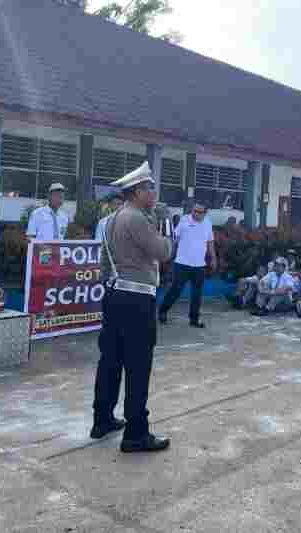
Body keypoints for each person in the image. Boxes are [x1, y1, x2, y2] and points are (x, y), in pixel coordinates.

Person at [92, 162, 173, 452]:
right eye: (150, 188)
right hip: (137, 300)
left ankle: (102, 419)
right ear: (137, 191)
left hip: (115, 295)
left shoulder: (111, 219)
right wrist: (165, 223)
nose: (154, 193)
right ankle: (136, 433)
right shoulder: (137, 218)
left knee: (110, 360)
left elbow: (104, 264)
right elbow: (164, 251)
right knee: (138, 365)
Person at [158, 204, 217, 328]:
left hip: (199, 265)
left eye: (199, 212)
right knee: (175, 290)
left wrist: (213, 258)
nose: (196, 213)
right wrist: (168, 254)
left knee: (197, 294)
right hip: (182, 264)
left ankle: (194, 319)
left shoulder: (208, 223)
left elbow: (210, 242)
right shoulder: (184, 220)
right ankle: (163, 311)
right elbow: (175, 239)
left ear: (205, 213)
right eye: (194, 211)